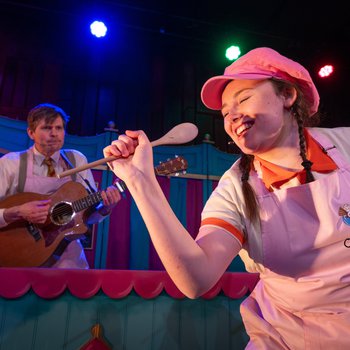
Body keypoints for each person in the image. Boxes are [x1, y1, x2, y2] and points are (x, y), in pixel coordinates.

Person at [102, 47, 350, 349]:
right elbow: (196, 279)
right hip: (287, 337)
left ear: (287, 95)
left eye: (243, 98)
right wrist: (140, 181)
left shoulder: (345, 144)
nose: (232, 116)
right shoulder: (234, 188)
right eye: (224, 113)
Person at [0, 103, 121, 268]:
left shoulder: (77, 161)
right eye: (46, 128)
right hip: (20, 255)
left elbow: (87, 217)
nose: (54, 134)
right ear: (31, 132)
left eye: (59, 128)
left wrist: (106, 208)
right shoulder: (10, 163)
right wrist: (17, 211)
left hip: (69, 261)